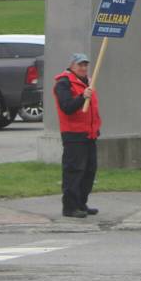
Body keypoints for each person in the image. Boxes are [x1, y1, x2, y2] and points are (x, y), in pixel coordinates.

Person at [54, 53, 100, 219]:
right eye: (80, 65)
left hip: (89, 134)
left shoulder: (87, 82)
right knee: (74, 171)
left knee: (89, 171)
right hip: (73, 134)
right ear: (72, 66)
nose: (84, 68)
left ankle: (81, 203)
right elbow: (67, 106)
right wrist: (82, 97)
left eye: (85, 65)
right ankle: (70, 207)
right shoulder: (63, 83)